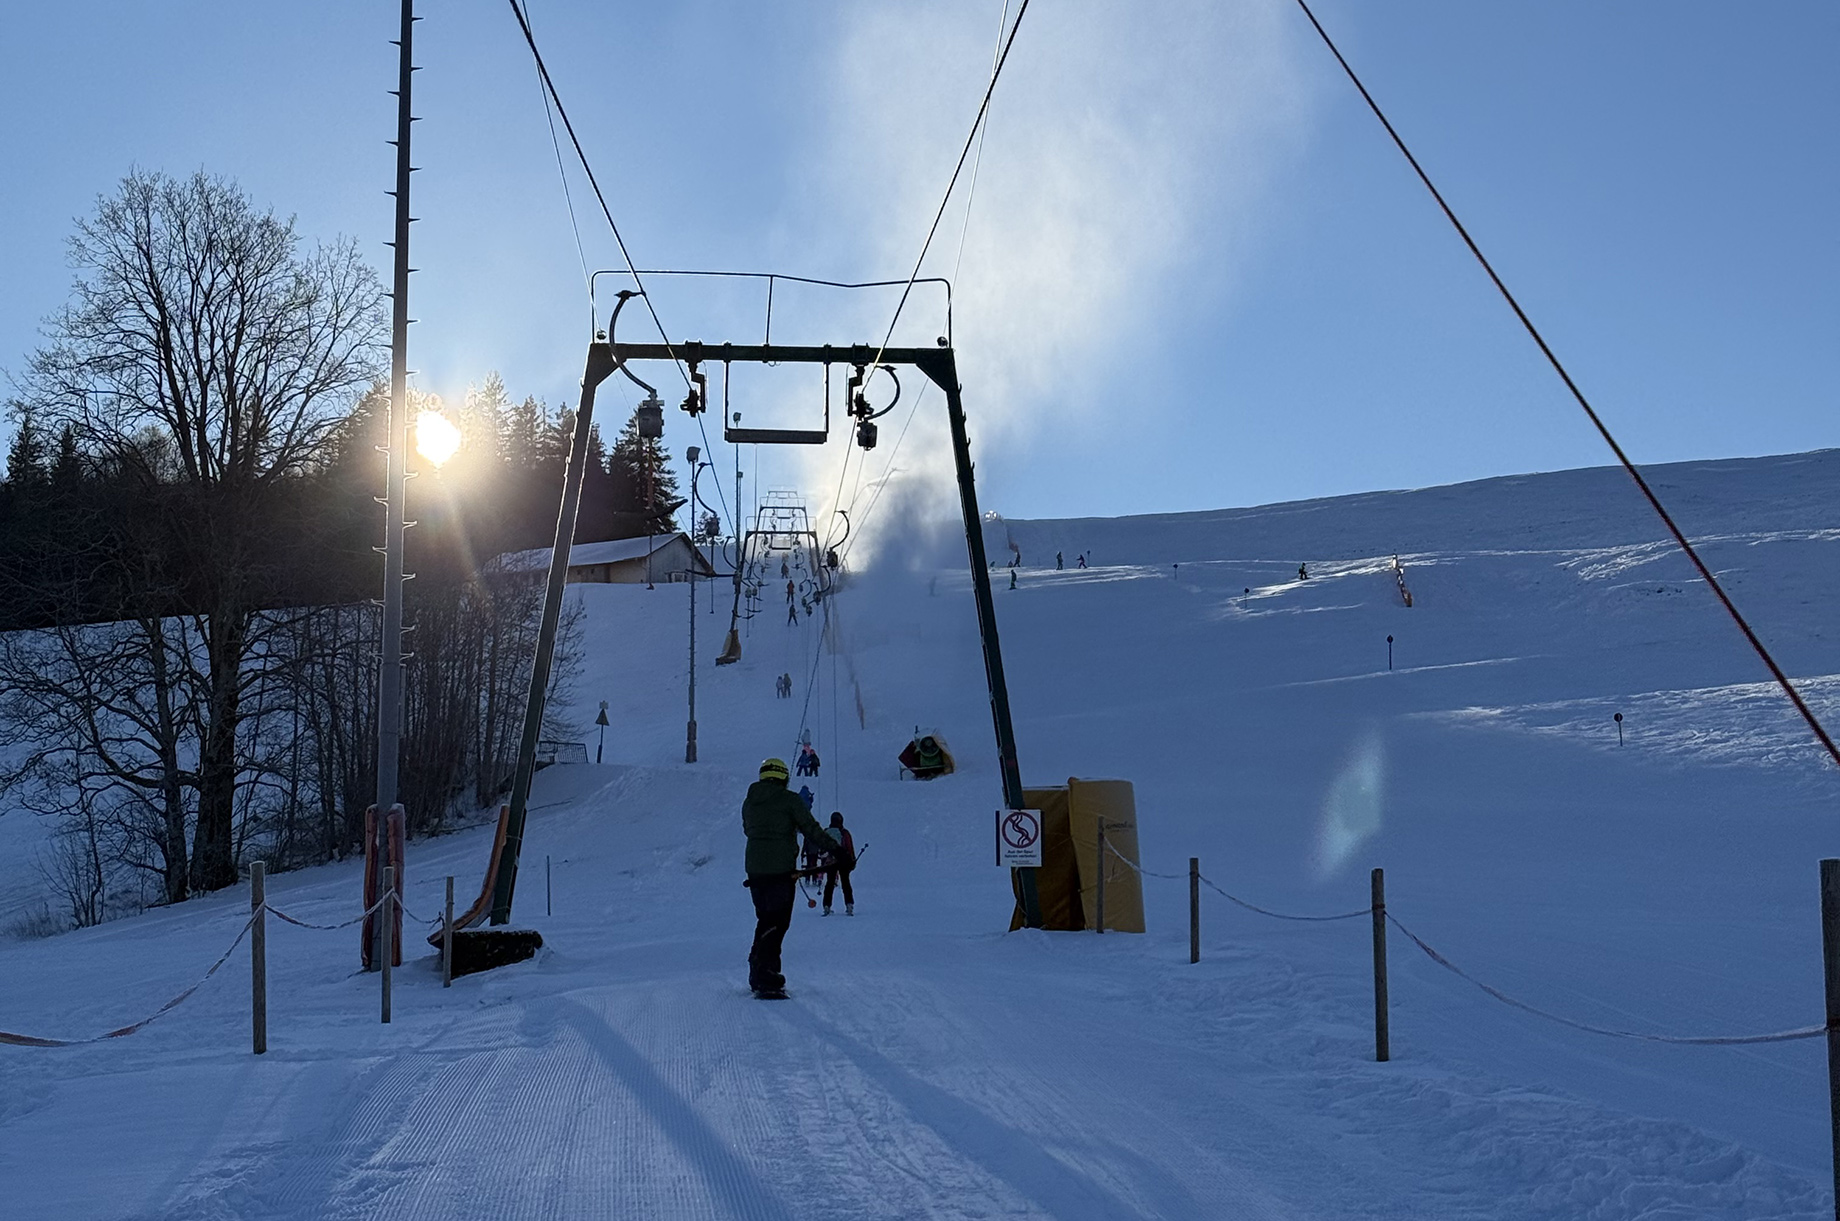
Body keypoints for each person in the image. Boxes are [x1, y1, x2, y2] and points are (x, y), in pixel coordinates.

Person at [743, 757, 841, 997]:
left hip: (755, 869)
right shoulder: (789, 800)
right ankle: (764, 973)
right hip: (780, 870)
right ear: (783, 777)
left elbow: (748, 829)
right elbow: (810, 828)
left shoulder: (750, 802)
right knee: (777, 921)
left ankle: (763, 971)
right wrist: (836, 849)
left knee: (765, 918)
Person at [821, 811, 857, 916]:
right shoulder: (844, 832)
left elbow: (822, 846)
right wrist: (852, 860)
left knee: (830, 883)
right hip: (843, 861)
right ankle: (849, 904)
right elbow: (849, 847)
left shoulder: (826, 831)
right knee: (845, 882)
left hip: (830, 861)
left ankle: (827, 906)